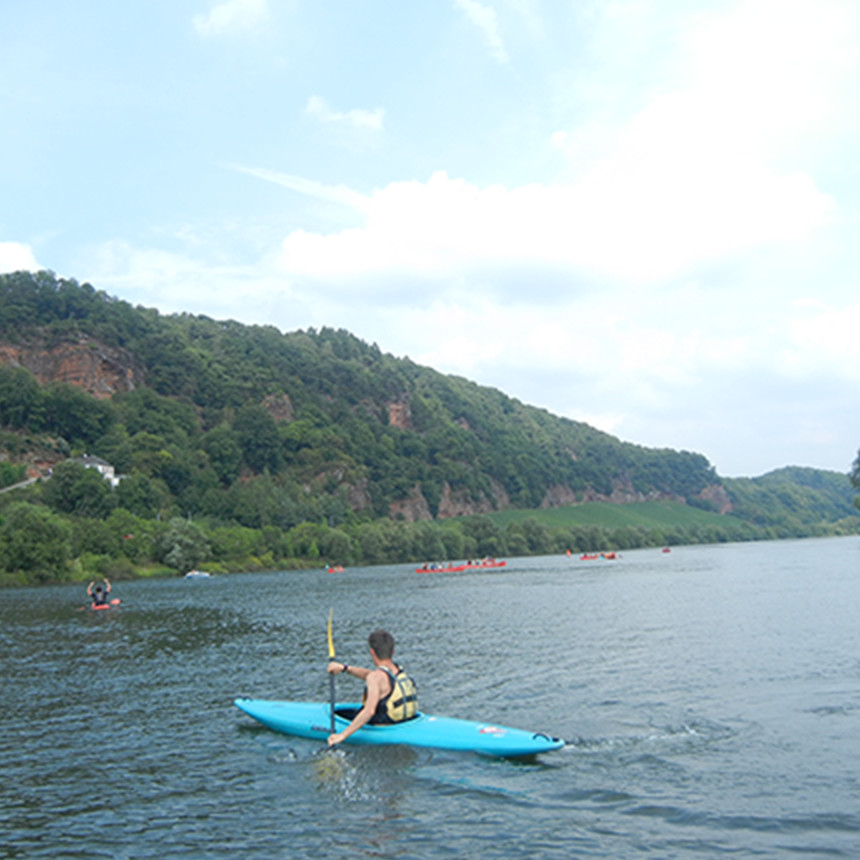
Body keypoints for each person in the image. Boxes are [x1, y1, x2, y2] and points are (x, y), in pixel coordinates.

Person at [326, 629, 418, 746]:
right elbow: (370, 675)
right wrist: (345, 668)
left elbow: (369, 712)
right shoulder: (397, 671)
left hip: (384, 727)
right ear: (392, 652)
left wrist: (342, 736)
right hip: (404, 723)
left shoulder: (376, 678)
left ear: (372, 652)